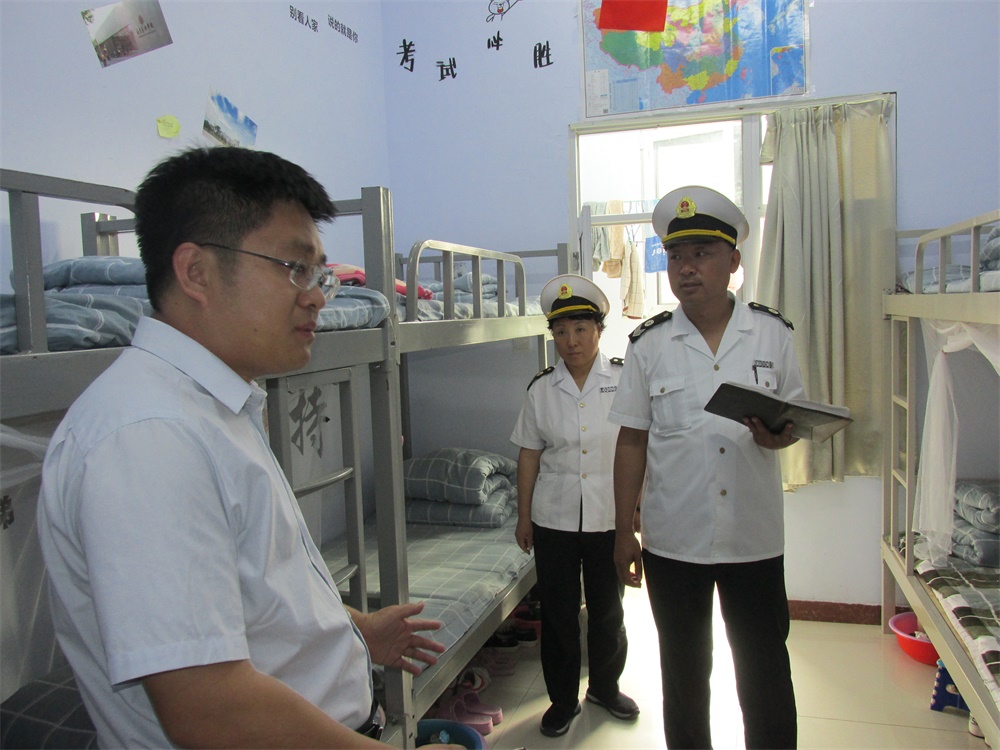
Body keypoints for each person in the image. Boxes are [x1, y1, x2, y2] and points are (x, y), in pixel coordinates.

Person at [37, 146, 459, 750]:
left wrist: (354, 632)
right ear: (196, 272)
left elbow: (250, 592)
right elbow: (209, 710)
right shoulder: (151, 435)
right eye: (294, 268)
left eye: (319, 275)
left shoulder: (216, 407)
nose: (317, 296)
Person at [609, 186, 803, 749]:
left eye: (701, 254)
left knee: (765, 672)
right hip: (675, 539)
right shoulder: (649, 345)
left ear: (734, 261)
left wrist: (779, 436)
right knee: (685, 676)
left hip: (753, 537)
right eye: (676, 256)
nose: (686, 268)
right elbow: (631, 441)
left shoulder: (772, 334)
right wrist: (623, 532)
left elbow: (793, 421)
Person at [510, 274, 640, 738]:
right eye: (561, 332)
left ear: (599, 330)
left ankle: (604, 687)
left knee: (608, 611)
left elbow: (637, 447)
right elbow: (529, 454)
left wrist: (635, 513)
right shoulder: (541, 390)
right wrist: (523, 516)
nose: (572, 341)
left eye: (581, 329)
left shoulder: (624, 380)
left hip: (608, 516)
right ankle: (562, 701)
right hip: (555, 519)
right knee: (559, 615)